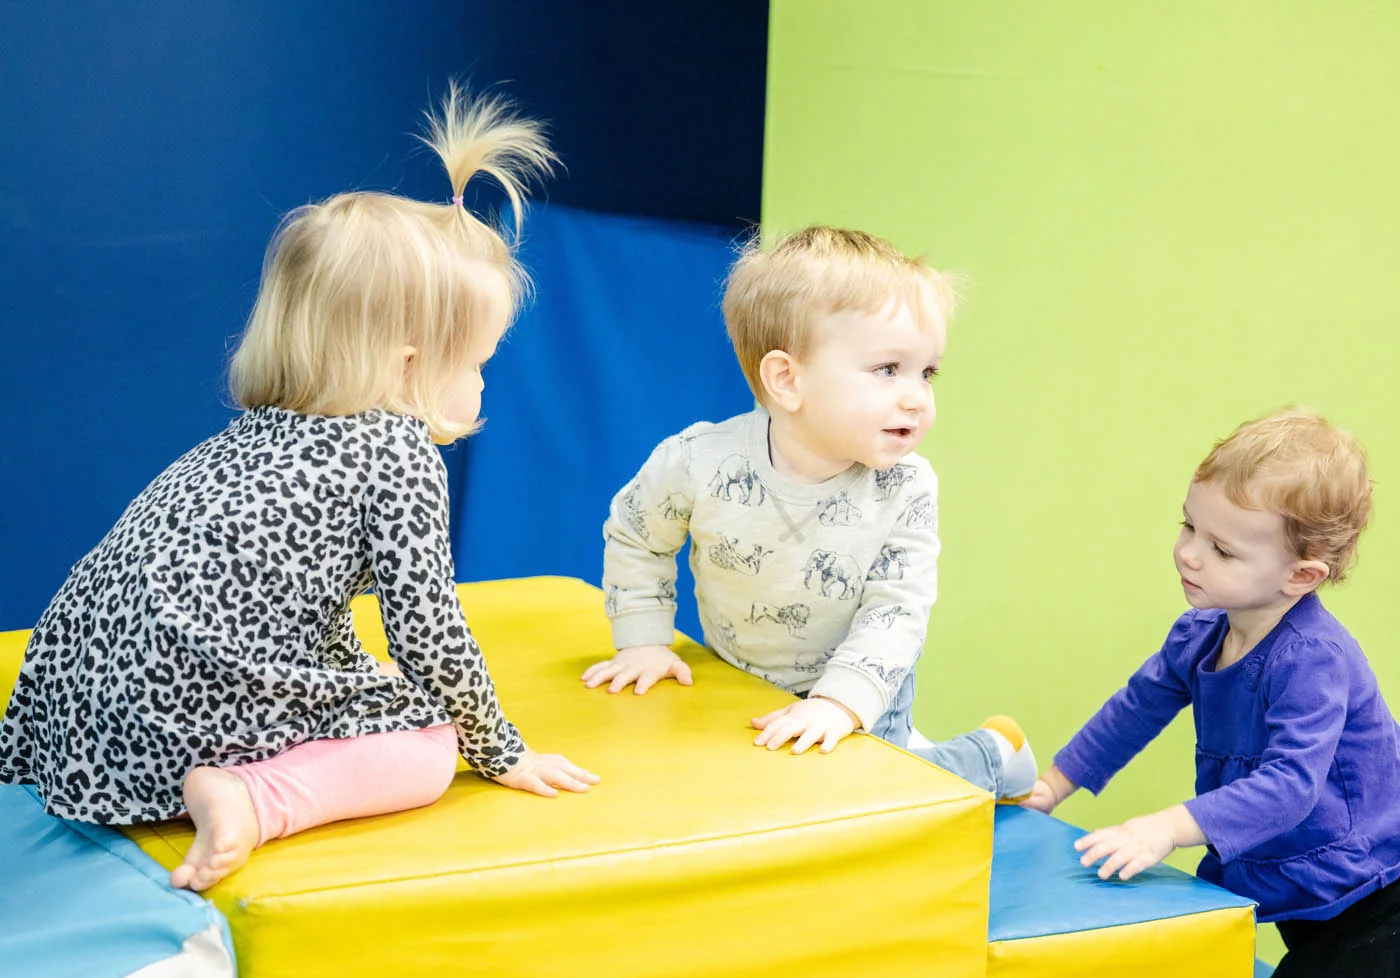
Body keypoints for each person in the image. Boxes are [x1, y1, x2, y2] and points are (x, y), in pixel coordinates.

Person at [0, 83, 598, 893]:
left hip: (82, 711)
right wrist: (498, 746)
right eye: (481, 363)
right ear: (411, 365)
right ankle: (250, 797)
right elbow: (429, 634)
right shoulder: (396, 450)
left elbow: (285, 609)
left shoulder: (257, 437)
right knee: (429, 748)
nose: (487, 385)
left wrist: (360, 676)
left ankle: (227, 771)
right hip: (182, 715)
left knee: (384, 688)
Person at [582, 226, 1036, 802]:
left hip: (864, 683)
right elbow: (637, 534)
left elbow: (896, 609)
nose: (917, 397)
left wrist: (841, 703)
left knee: (876, 803)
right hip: (742, 682)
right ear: (787, 379)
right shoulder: (698, 461)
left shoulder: (905, 485)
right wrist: (644, 640)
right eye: (887, 369)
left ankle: (994, 756)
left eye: (928, 372)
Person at [1025, 407, 1400, 978]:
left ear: (1300, 576)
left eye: (1222, 550)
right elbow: (1136, 708)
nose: (1189, 554)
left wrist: (1169, 827)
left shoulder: (1312, 659)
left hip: (1377, 893)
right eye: (1188, 527)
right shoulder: (1201, 633)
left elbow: (1291, 785)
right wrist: (1052, 786)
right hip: (1306, 882)